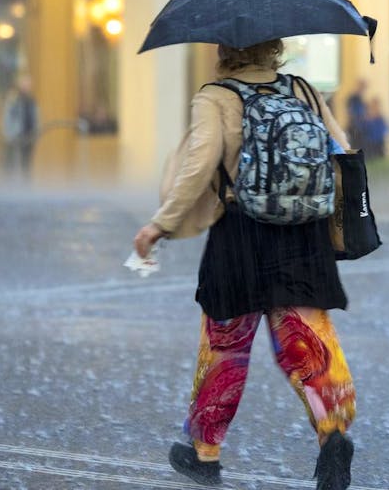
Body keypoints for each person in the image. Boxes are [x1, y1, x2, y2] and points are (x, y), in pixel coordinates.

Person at [133, 39, 357, 489]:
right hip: (302, 234)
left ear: (224, 49)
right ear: (273, 47)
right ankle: (332, 432)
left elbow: (199, 166)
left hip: (240, 233)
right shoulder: (304, 90)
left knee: (226, 346)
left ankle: (205, 454)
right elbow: (342, 152)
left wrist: (161, 224)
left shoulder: (215, 96)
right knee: (308, 335)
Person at [2, 75, 39, 182]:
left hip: (29, 135)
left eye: (28, 85)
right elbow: (8, 117)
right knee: (11, 162)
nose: (26, 87)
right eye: (24, 85)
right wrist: (8, 134)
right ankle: (9, 182)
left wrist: (36, 133)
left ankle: (26, 182)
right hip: (15, 135)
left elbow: (36, 117)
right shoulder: (13, 100)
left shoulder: (32, 101)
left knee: (26, 162)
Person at [345, 79, 369, 151]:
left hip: (361, 127)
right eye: (362, 87)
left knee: (360, 146)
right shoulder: (353, 98)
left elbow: (364, 112)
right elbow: (350, 112)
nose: (363, 89)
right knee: (354, 146)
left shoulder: (361, 99)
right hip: (354, 126)